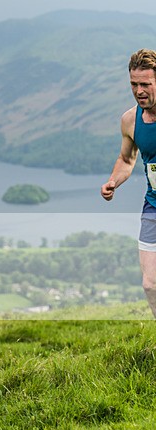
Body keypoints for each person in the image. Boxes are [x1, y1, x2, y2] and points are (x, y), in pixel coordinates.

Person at [102, 49, 156, 317]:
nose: (139, 91)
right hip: (153, 206)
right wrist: (113, 181)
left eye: (145, 84)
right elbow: (126, 158)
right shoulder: (130, 120)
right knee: (150, 284)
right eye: (134, 84)